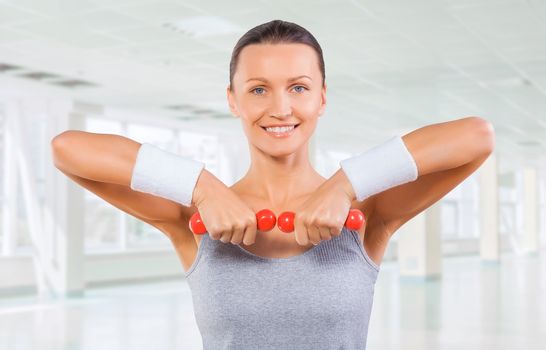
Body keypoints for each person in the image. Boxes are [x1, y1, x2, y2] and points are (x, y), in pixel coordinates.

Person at [51, 19, 495, 350]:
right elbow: (68, 148)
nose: (280, 108)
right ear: (233, 99)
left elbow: (476, 136)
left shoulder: (365, 213)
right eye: (259, 89)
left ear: (322, 96)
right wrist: (201, 186)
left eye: (299, 88)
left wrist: (344, 185)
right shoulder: (193, 217)